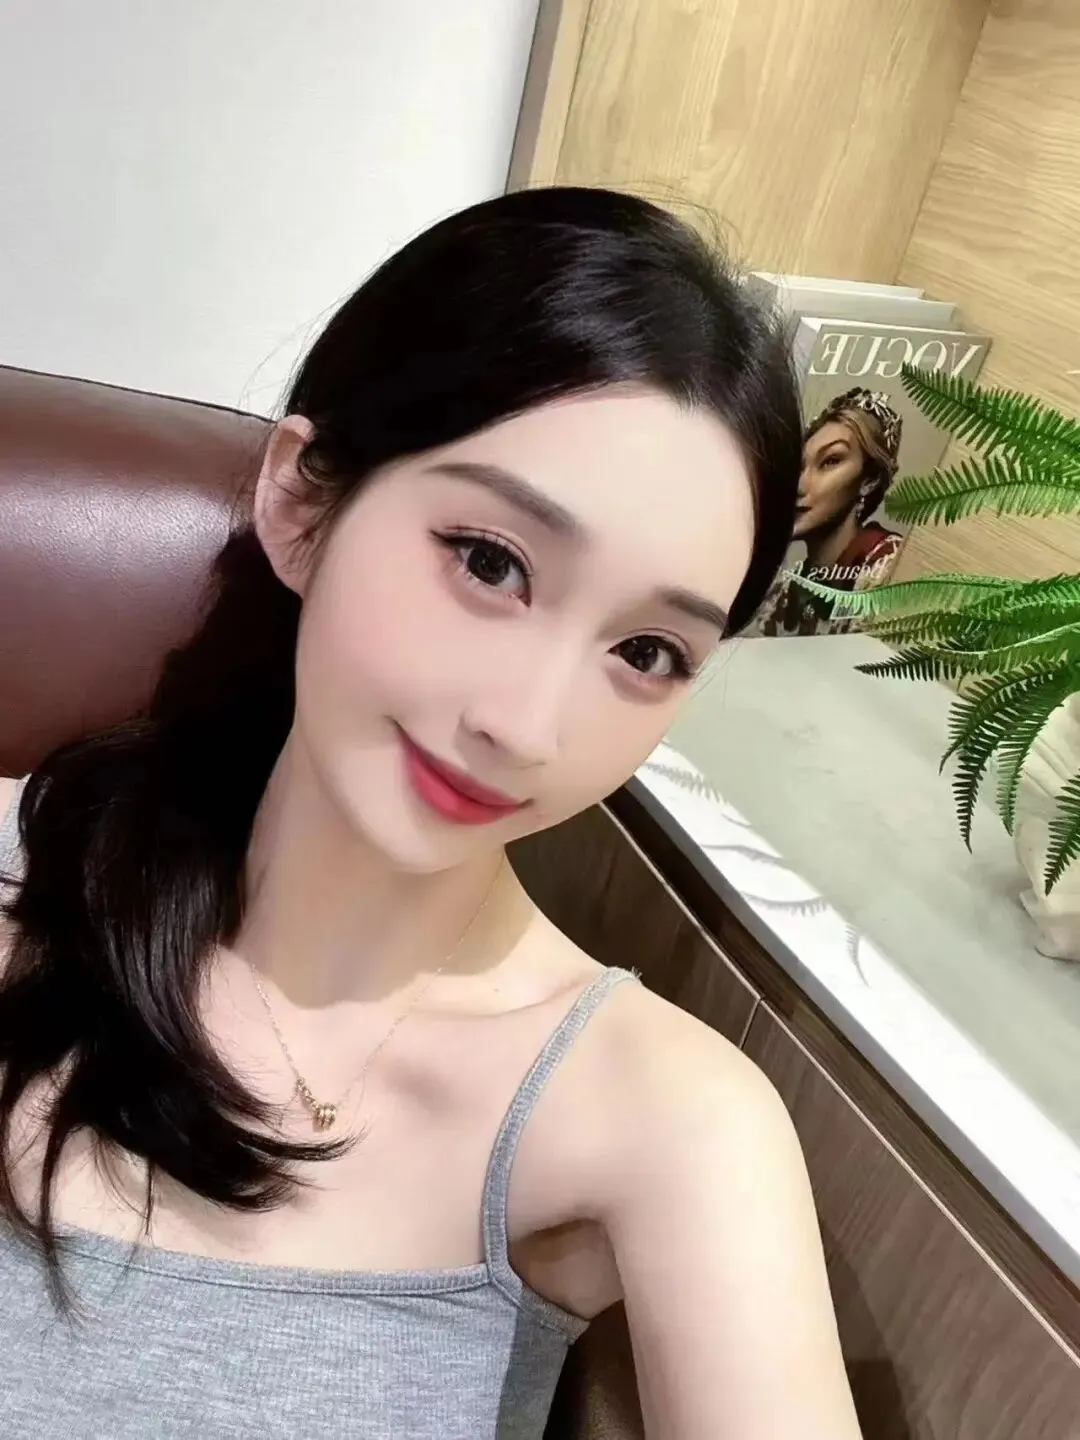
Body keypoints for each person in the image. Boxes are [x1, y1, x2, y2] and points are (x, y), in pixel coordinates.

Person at [0, 188, 863, 1438]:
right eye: (491, 562)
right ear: (303, 503)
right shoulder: (28, 876)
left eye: (646, 651)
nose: (529, 727)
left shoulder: (659, 1120)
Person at [755, 387, 904, 637]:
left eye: (830, 461)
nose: (799, 486)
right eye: (799, 467)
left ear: (869, 480)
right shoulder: (781, 596)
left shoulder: (890, 570)